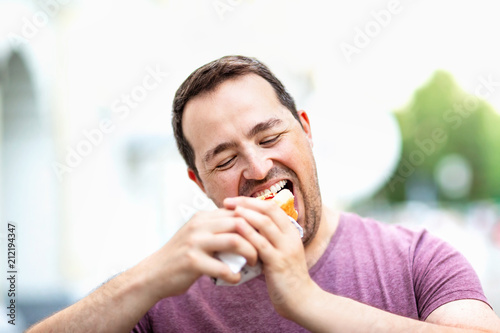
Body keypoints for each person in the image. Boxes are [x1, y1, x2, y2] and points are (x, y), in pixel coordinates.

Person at [28, 55, 500, 332]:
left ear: (306, 133)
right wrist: (149, 275)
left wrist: (307, 299)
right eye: (225, 159)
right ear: (200, 183)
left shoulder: (417, 259)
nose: (258, 167)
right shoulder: (167, 300)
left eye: (270, 137)